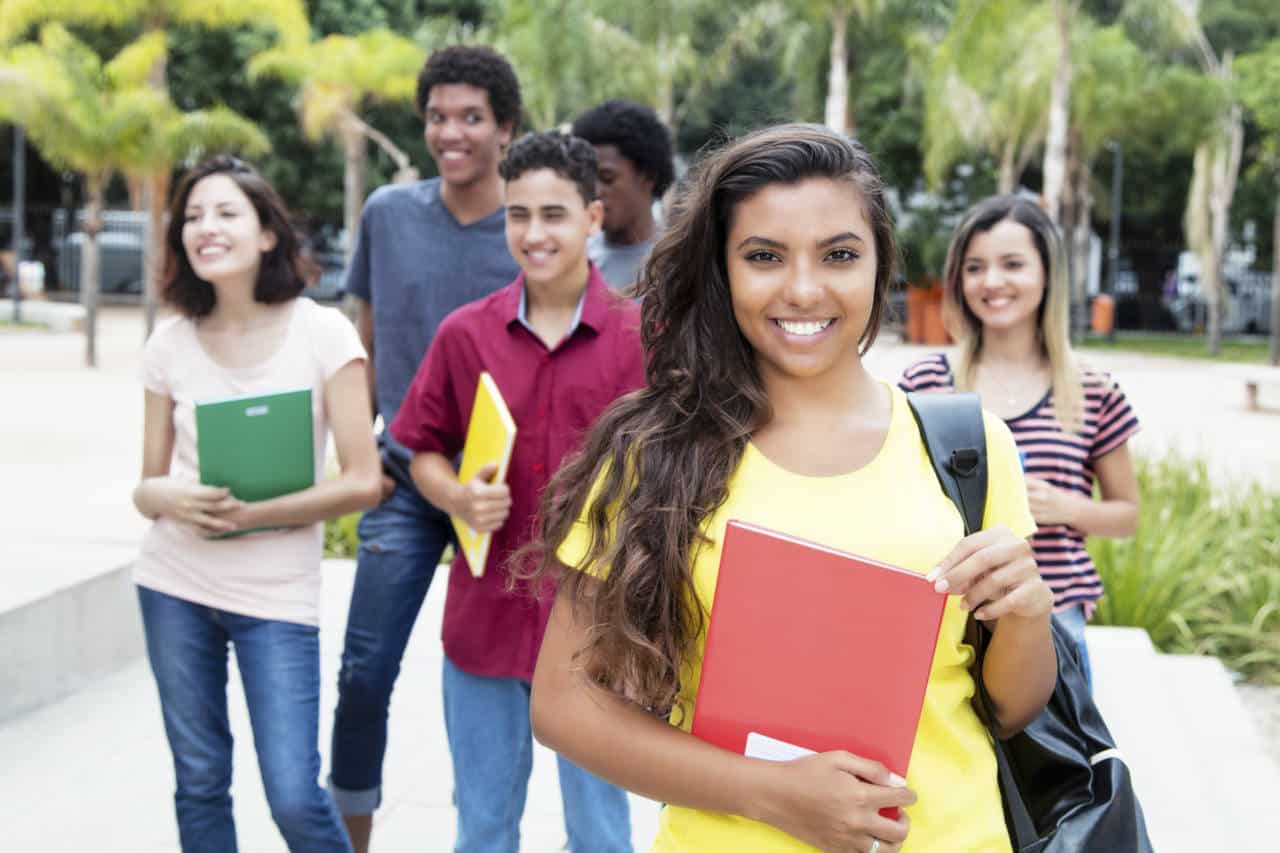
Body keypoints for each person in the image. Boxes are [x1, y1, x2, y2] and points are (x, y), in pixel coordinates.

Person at [525, 124, 1057, 853]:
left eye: (839, 254)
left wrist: (1028, 615)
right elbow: (563, 703)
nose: (804, 288)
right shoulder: (655, 453)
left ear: (879, 264)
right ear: (723, 272)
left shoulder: (968, 449)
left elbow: (1010, 706)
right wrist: (770, 794)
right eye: (764, 256)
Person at [131, 155, 382, 852]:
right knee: (201, 779)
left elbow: (364, 478)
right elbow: (145, 487)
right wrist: (172, 496)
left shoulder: (322, 332)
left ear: (268, 233)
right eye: (192, 216)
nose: (205, 227)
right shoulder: (169, 342)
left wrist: (255, 514)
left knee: (296, 797)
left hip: (277, 597)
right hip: (174, 584)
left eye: (225, 212)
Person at [327, 46, 524, 851]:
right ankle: (351, 837)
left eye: (471, 117)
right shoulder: (387, 212)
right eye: (438, 116)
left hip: (506, 486)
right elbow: (358, 339)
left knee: (499, 681)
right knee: (364, 671)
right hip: (406, 477)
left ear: (506, 129)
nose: (452, 132)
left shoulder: (530, 227)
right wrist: (359, 452)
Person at [898, 195, 1140, 684]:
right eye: (975, 267)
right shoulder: (925, 381)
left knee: (1059, 761)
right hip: (947, 616)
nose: (992, 282)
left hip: (1055, 622)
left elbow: (1127, 515)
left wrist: (1066, 507)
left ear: (1046, 274)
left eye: (1012, 265)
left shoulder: (1093, 390)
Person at [571, 99, 675, 290]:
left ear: (648, 176)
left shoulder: (680, 266)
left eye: (607, 178)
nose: (594, 190)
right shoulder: (573, 261)